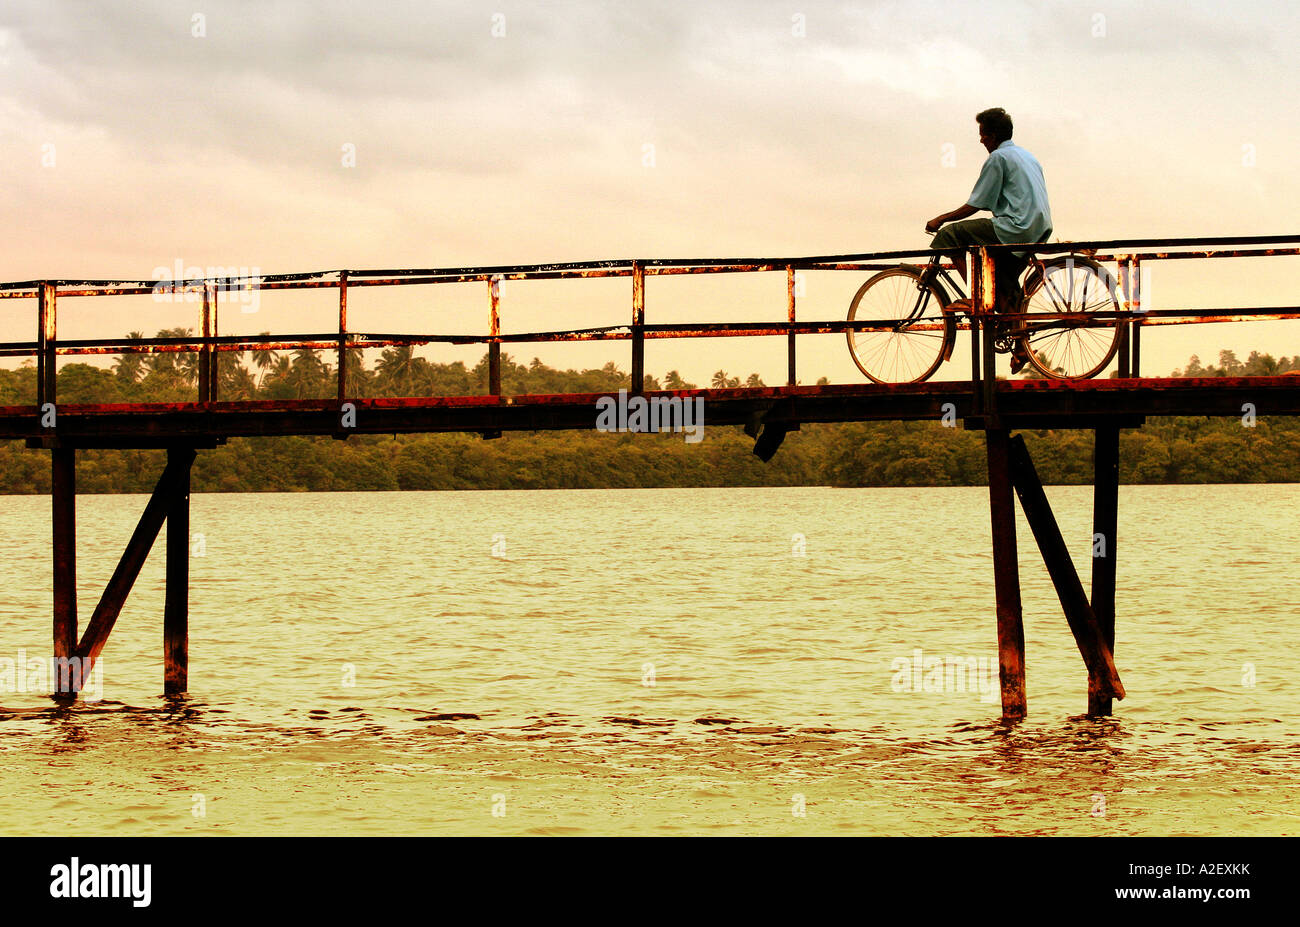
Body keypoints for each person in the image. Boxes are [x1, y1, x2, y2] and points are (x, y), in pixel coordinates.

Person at [925, 107, 1053, 373]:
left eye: (982, 134)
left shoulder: (998, 158)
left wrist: (942, 219)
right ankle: (1020, 347)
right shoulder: (1028, 156)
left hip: (1015, 227)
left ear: (993, 135)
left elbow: (978, 203)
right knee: (1005, 284)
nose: (981, 140)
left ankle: (974, 296)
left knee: (951, 235)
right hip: (1038, 228)